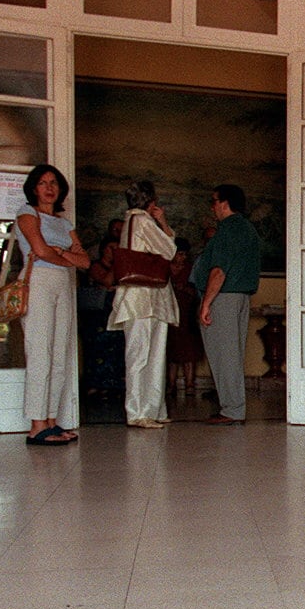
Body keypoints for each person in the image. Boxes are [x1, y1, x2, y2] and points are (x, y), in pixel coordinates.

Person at [15, 164, 89, 446]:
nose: (49, 188)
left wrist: (62, 255)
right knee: (40, 352)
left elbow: (86, 262)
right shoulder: (27, 213)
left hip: (63, 283)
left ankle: (50, 420)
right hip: (39, 282)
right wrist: (65, 255)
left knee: (60, 354)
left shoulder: (64, 223)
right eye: (43, 183)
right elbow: (41, 250)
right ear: (34, 188)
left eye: (54, 183)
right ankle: (36, 425)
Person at [106, 180, 178, 428]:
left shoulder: (131, 221)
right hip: (143, 298)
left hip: (146, 297)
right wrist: (163, 222)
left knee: (147, 354)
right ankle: (139, 411)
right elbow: (168, 250)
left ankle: (152, 409)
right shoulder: (143, 221)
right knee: (144, 355)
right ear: (151, 200)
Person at [192, 183, 259, 425]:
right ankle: (234, 407)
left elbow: (218, 270)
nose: (212, 207)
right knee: (233, 353)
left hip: (224, 297)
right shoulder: (247, 228)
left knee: (224, 355)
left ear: (224, 202)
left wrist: (206, 303)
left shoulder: (228, 229)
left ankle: (231, 409)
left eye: (214, 201)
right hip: (240, 297)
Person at [166, 236, 202, 396]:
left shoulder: (190, 269)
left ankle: (189, 385)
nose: (183, 257)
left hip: (187, 317)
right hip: (169, 315)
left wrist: (183, 288)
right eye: (180, 253)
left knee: (189, 353)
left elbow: (197, 292)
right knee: (171, 353)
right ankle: (171, 385)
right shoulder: (164, 268)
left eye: (185, 254)